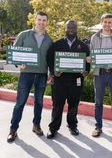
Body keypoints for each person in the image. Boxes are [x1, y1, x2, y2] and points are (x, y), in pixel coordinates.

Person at [7, 11, 53, 142]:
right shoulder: (23, 35)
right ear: (35, 20)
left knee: (39, 102)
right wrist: (17, 64)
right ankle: (13, 130)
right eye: (39, 20)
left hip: (42, 75)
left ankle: (36, 125)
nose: (41, 22)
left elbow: (50, 59)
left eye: (44, 20)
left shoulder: (49, 40)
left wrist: (50, 74)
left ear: (47, 22)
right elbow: (14, 53)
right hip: (26, 74)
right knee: (20, 102)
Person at [46, 20, 90, 139]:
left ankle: (72, 125)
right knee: (57, 105)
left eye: (73, 27)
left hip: (76, 81)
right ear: (65, 29)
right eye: (68, 27)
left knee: (73, 105)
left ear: (77, 29)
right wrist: (53, 71)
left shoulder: (83, 46)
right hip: (59, 81)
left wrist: (86, 71)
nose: (71, 29)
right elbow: (49, 59)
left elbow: (88, 62)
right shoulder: (57, 44)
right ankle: (53, 128)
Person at [88, 13, 112, 137]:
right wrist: (90, 59)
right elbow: (92, 54)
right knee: (98, 102)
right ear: (101, 22)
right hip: (100, 72)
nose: (107, 24)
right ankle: (98, 127)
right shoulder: (94, 37)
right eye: (105, 22)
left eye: (110, 22)